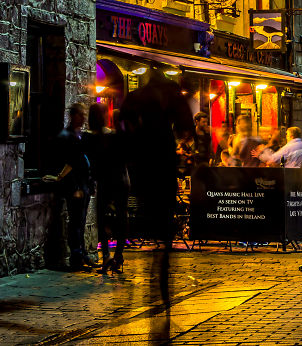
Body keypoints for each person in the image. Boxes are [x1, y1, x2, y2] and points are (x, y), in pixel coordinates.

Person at [119, 67, 193, 340]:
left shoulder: (136, 96)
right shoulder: (171, 96)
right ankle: (161, 275)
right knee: (163, 232)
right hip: (161, 165)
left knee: (151, 223)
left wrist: (131, 150)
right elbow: (187, 128)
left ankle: (157, 270)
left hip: (142, 168)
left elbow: (123, 125)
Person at [42, 104, 94, 271]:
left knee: (81, 220)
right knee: (76, 222)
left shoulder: (81, 136)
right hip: (75, 186)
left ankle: (82, 253)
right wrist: (75, 186)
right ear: (74, 116)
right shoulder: (67, 136)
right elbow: (71, 162)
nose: (84, 117)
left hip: (84, 184)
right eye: (81, 114)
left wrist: (89, 183)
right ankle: (76, 256)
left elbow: (85, 161)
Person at [85, 103, 130, 275]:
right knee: (121, 217)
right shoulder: (114, 135)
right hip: (121, 180)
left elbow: (91, 162)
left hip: (105, 181)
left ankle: (106, 256)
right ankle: (118, 256)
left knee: (101, 218)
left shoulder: (89, 138)